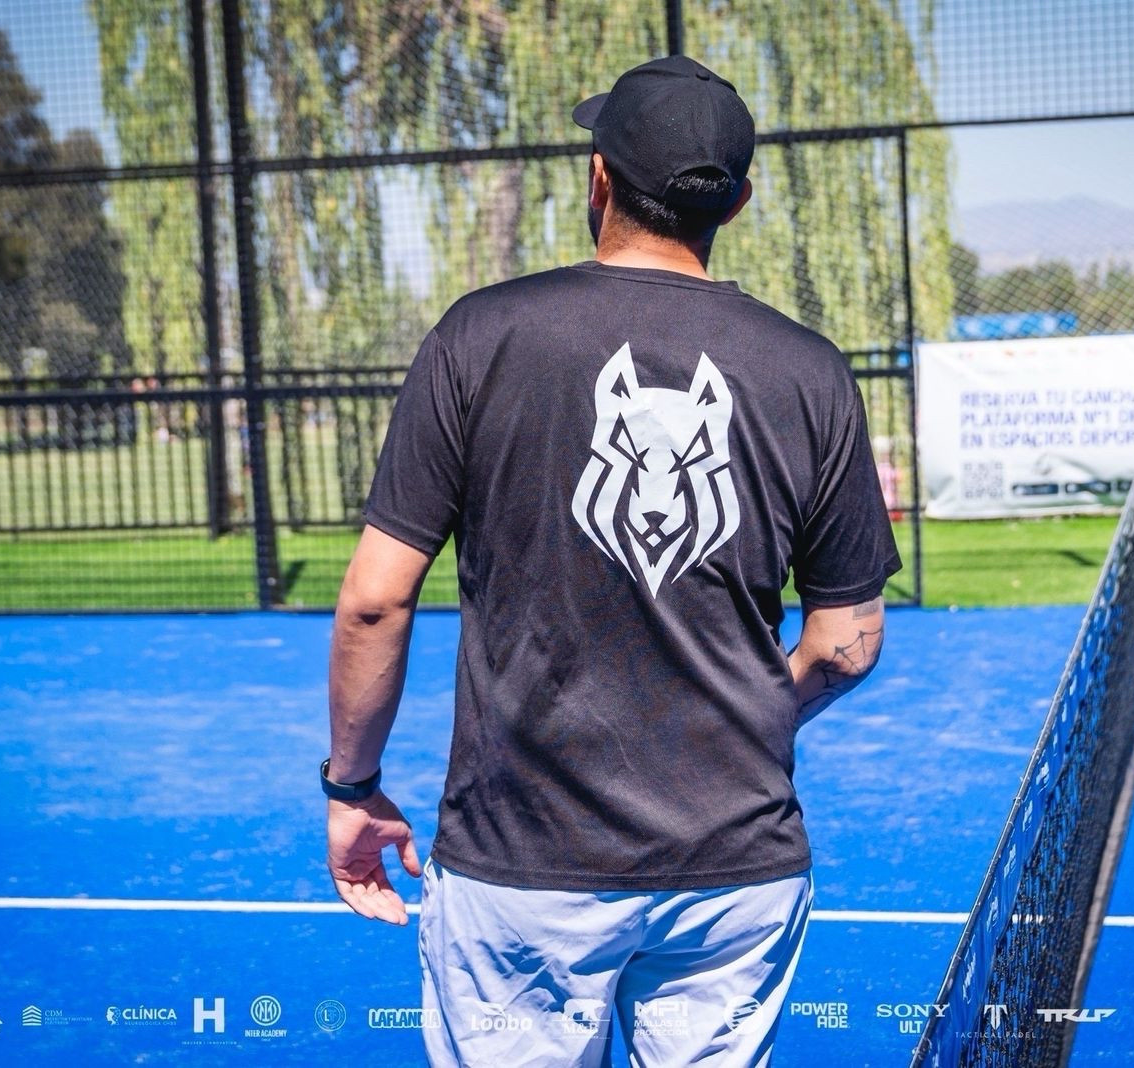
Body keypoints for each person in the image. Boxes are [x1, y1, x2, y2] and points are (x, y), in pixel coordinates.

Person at [324, 54, 900, 1067]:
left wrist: (351, 788)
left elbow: (375, 602)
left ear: (598, 178)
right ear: (737, 201)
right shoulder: (810, 371)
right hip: (737, 869)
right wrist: (744, 715)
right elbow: (847, 641)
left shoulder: (479, 336)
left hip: (519, 868)